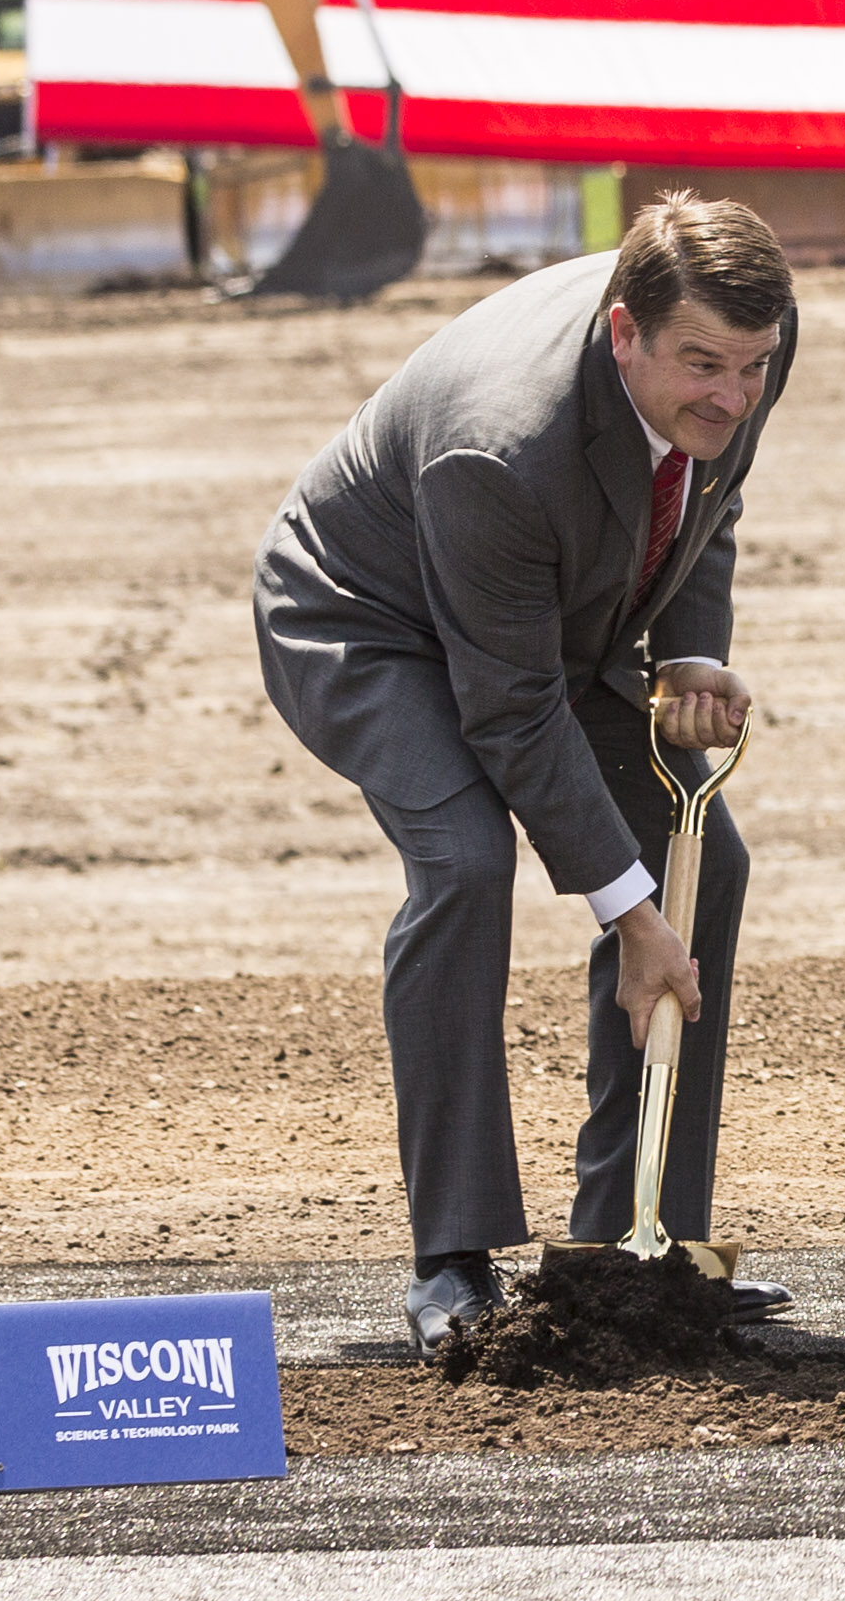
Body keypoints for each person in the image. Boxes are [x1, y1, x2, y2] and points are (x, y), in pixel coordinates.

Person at [255, 193, 798, 1352]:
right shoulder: (498, 446)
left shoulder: (744, 345)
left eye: (749, 367)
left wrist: (694, 642)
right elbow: (510, 710)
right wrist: (627, 915)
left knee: (706, 860)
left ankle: (642, 1246)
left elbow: (712, 481)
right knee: (462, 859)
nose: (732, 392)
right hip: (367, 618)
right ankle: (450, 1258)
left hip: (546, 605)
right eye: (703, 363)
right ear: (621, 332)